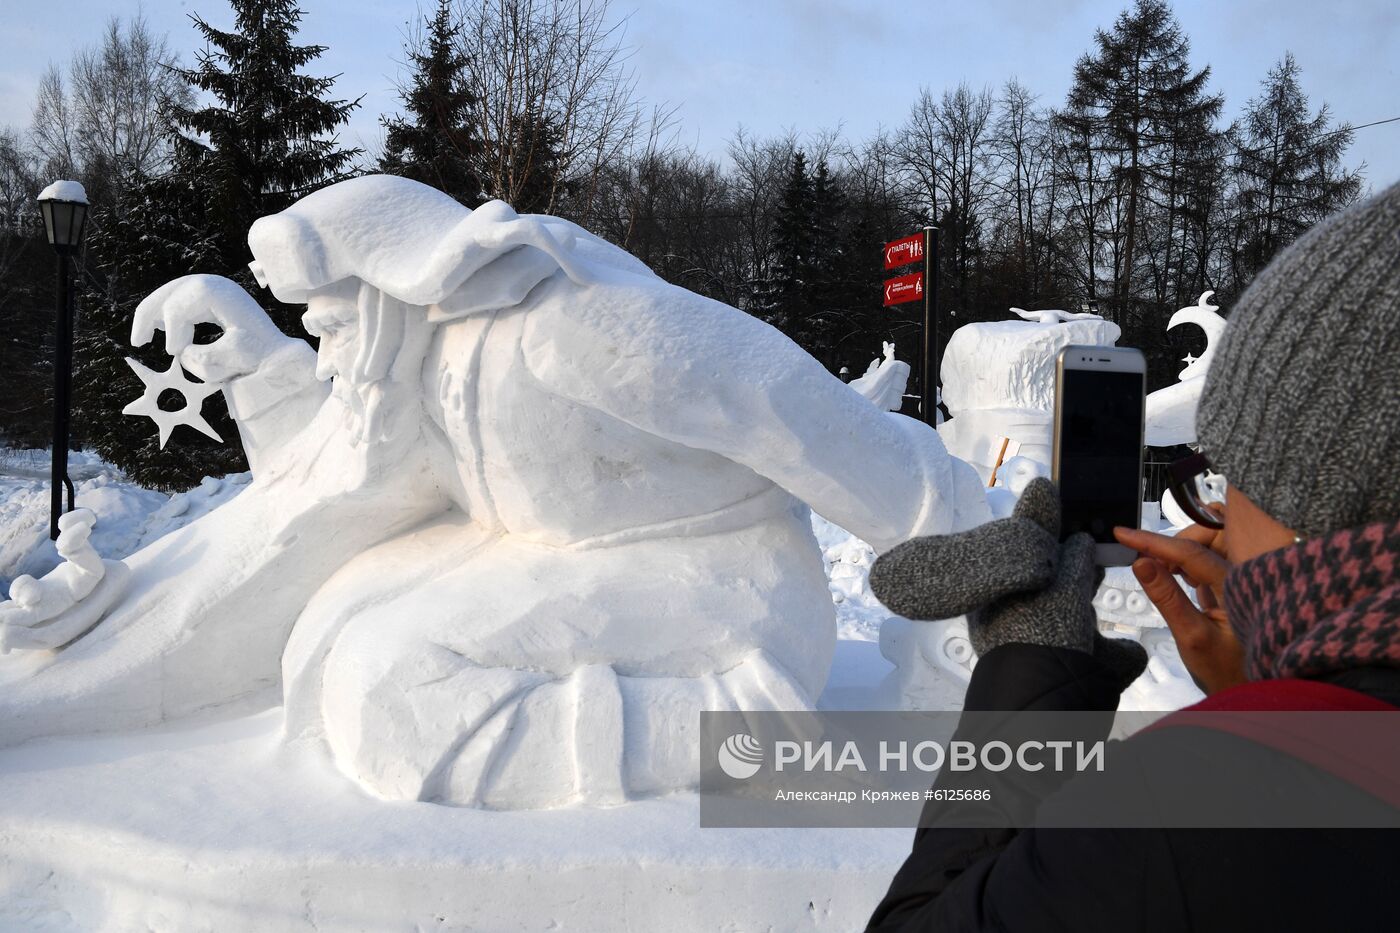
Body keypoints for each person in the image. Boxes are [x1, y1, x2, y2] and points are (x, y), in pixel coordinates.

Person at [863, 181, 1400, 932]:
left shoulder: (1199, 807)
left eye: (1224, 476)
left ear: (1313, 492)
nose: (1215, 516)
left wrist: (1025, 669)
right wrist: (1284, 686)